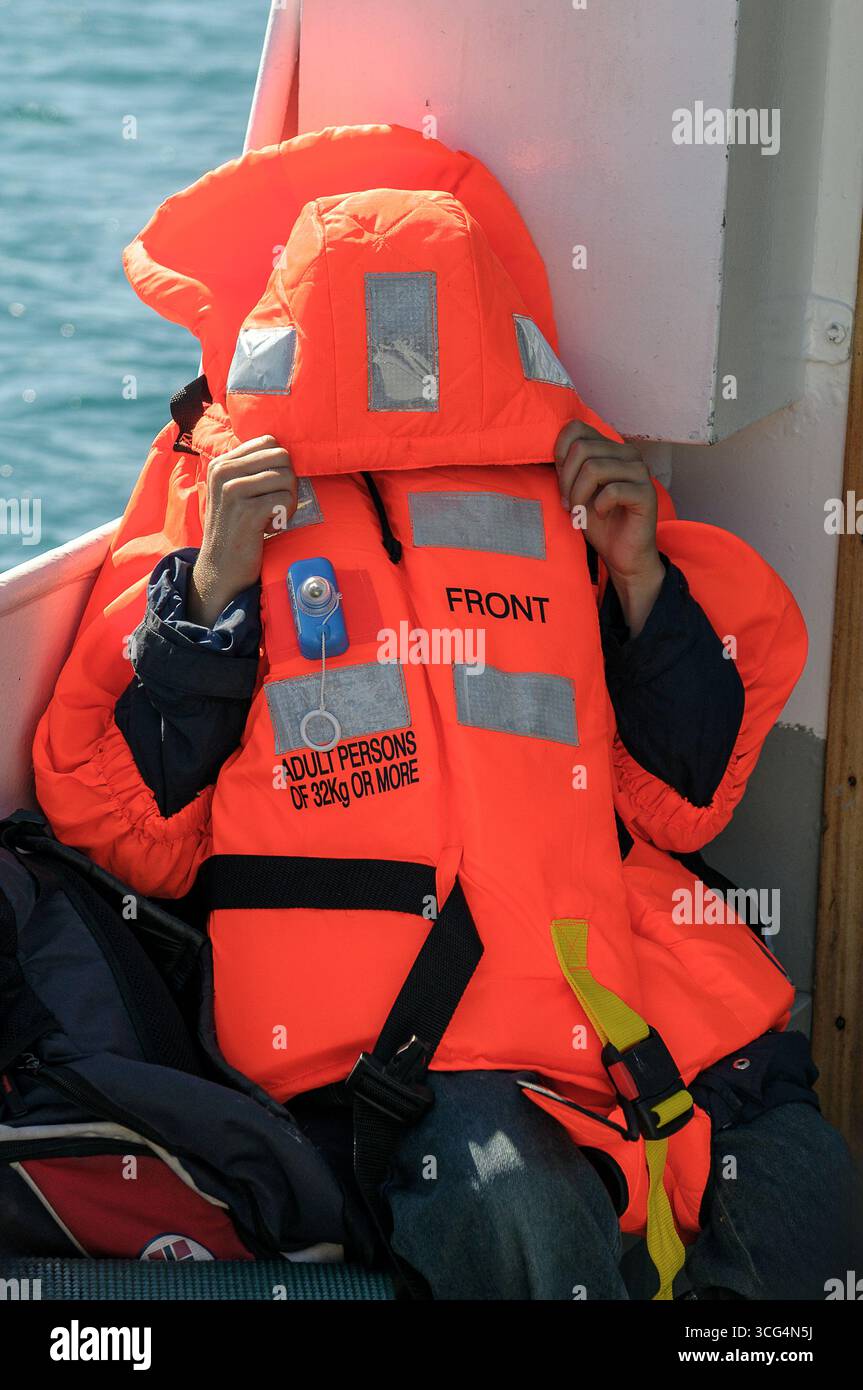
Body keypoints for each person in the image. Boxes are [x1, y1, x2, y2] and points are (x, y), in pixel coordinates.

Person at [32, 125, 858, 1299]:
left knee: (806, 1190)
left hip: (615, 1000)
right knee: (522, 1216)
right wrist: (208, 592)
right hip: (403, 1055)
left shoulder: (562, 494)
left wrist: (637, 585)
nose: (396, 354)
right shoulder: (219, 511)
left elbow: (674, 797)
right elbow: (131, 839)